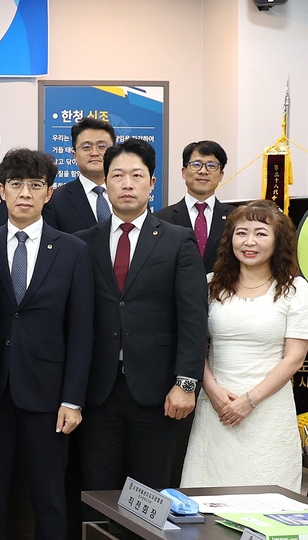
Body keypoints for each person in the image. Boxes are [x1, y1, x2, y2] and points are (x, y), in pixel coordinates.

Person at [75, 138, 207, 494]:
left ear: (152, 183)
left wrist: (186, 384)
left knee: (150, 490)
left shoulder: (177, 240)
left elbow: (193, 318)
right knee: (97, 488)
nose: (127, 184)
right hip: (97, 389)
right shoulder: (82, 242)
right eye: (117, 175)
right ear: (105, 183)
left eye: (137, 175)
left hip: (159, 389)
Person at [0, 149, 93, 540]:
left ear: (49, 193)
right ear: (1, 191)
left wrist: (73, 399)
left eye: (35, 185)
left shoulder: (73, 250)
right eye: (15, 184)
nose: (24, 193)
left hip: (49, 395)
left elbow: (81, 331)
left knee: (49, 495)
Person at [181, 201, 308, 491]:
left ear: (278, 241)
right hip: (215, 406)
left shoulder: (296, 290)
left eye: (261, 233)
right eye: (241, 233)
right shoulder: (210, 285)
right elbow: (193, 343)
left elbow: (294, 358)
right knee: (206, 495)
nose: (249, 242)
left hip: (268, 408)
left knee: (265, 497)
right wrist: (212, 390)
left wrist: (249, 401)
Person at [156, 141, 235, 273]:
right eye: (196, 165)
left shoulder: (235, 218)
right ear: (184, 172)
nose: (203, 171)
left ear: (221, 175)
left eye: (211, 165)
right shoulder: (161, 219)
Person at [43, 117, 115, 234]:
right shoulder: (55, 201)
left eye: (102, 146)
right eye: (86, 147)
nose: (95, 153)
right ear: (74, 155)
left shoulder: (129, 194)